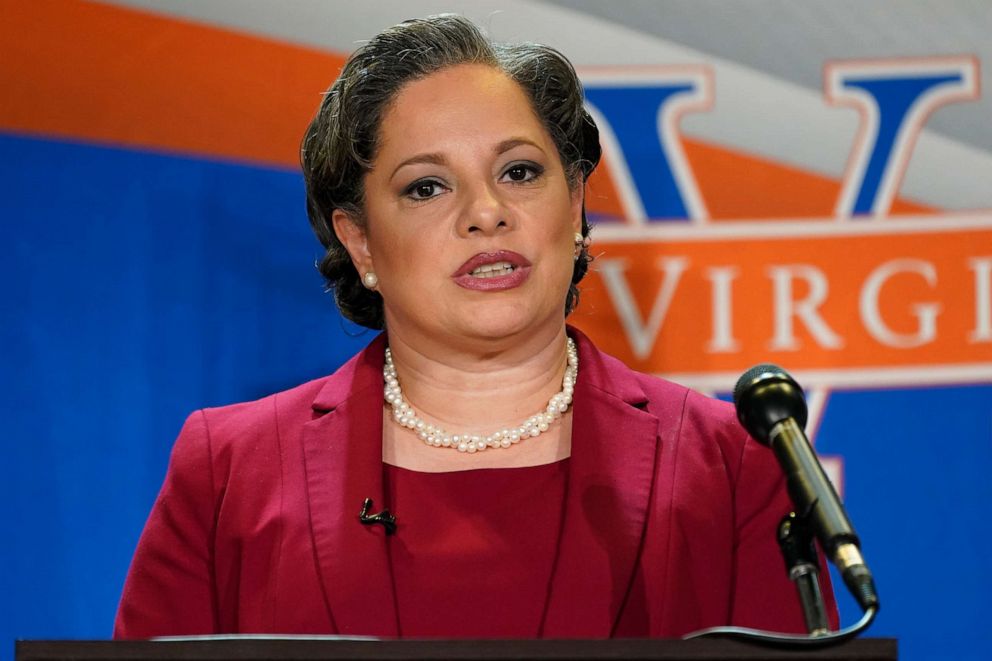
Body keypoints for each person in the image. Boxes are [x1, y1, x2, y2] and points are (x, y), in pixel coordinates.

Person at [114, 14, 837, 638]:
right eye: (426, 186)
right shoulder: (228, 472)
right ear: (360, 242)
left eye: (520, 172)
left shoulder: (732, 466)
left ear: (576, 204)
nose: (485, 211)